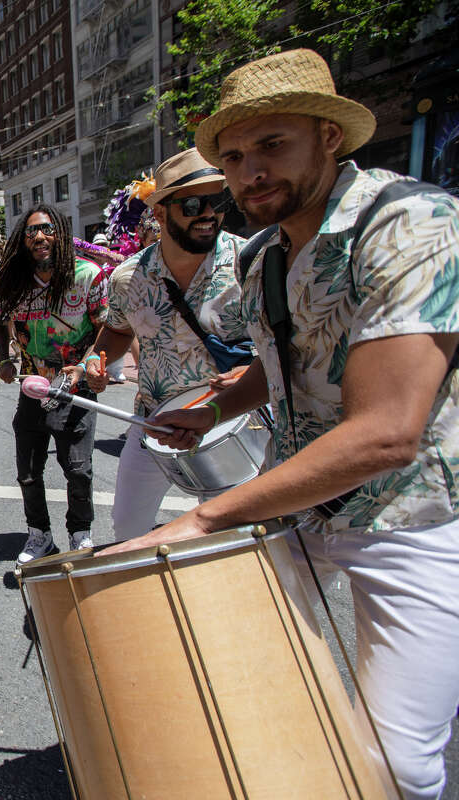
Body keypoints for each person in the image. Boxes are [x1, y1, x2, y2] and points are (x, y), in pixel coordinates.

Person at [110, 49, 459, 799]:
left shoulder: (413, 225)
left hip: (415, 521)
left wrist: (206, 518)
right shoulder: (265, 253)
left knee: (397, 766)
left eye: (272, 145)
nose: (248, 172)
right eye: (233, 156)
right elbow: (287, 362)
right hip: (300, 511)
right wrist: (211, 407)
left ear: (329, 137)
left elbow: (389, 429)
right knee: (240, 696)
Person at [85, 148, 251, 540]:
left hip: (232, 422)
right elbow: (118, 330)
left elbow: (286, 342)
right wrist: (96, 358)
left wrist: (254, 372)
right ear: (160, 214)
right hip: (153, 424)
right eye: (193, 204)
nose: (208, 213)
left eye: (217, 201)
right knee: (127, 530)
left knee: (231, 535)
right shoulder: (129, 277)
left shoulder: (251, 261)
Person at [0, 205, 108, 562]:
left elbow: (106, 325)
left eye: (46, 229)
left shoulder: (89, 275)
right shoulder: (14, 282)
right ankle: (39, 534)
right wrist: (5, 359)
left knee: (78, 469)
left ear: (60, 232)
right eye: (30, 232)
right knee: (28, 471)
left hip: (76, 386)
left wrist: (86, 364)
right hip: (33, 388)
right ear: (22, 241)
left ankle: (79, 532)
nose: (39, 237)